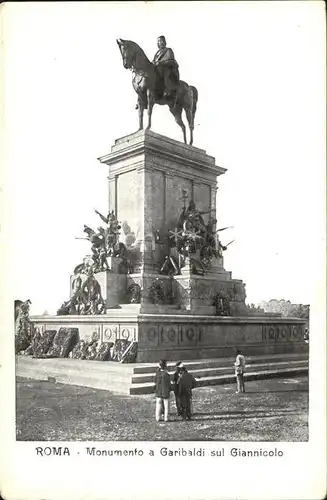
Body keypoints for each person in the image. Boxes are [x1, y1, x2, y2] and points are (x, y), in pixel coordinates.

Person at [153, 35, 179, 102]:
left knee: (166, 72)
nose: (159, 43)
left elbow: (171, 60)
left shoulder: (168, 50)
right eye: (158, 41)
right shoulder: (157, 53)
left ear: (164, 42)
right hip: (158, 69)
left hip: (168, 68)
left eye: (160, 41)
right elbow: (154, 61)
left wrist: (161, 63)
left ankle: (168, 90)